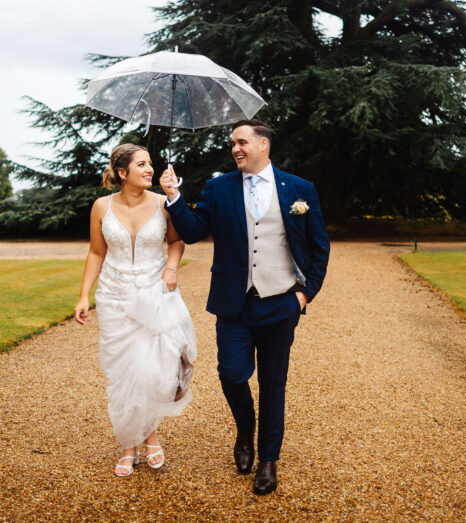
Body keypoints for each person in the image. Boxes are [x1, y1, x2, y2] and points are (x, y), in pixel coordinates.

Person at [160, 119, 330, 495]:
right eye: (232, 144)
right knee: (232, 375)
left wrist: (304, 295)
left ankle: (268, 461)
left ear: (263, 144)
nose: (235, 149)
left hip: (281, 304)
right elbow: (192, 230)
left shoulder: (300, 189)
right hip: (233, 305)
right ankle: (244, 430)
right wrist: (173, 197)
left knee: (273, 384)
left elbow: (320, 247)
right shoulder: (217, 187)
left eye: (241, 142)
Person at [75, 143, 197, 477]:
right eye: (142, 164)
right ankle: (129, 445)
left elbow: (176, 241)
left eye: (151, 164)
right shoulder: (101, 206)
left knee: (151, 371)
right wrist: (84, 295)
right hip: (114, 297)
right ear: (122, 172)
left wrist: (171, 268)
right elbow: (96, 253)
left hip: (154, 293)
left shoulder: (163, 203)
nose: (150, 169)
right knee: (123, 374)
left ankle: (149, 436)